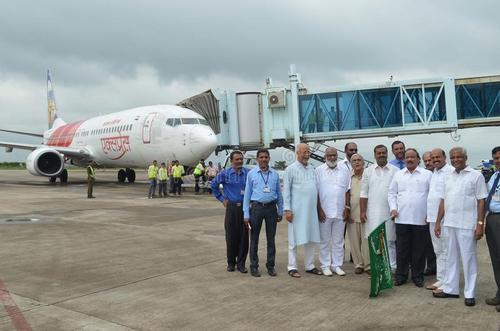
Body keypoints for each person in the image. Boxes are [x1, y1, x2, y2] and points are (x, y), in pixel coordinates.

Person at [433, 147, 488, 307]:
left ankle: (469, 293)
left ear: (465, 157)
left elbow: (481, 201)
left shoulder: (476, 176)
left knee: (469, 259)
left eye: (459, 157)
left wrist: (480, 224)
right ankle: (451, 289)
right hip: (449, 223)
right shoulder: (448, 176)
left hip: (467, 225)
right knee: (451, 257)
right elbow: (443, 200)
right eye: (453, 157)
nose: (456, 159)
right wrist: (438, 222)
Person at [388, 148, 432, 287]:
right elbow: (391, 193)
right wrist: (393, 208)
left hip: (421, 219)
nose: (410, 159)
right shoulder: (398, 175)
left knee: (419, 250)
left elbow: (432, 196)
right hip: (402, 218)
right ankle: (401, 276)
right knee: (402, 249)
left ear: (418, 159)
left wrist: (430, 213)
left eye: (413, 157)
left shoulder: (427, 174)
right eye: (407, 157)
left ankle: (417, 276)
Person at [283, 143, 322, 278]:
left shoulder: (312, 169)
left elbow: (315, 190)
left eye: (308, 152)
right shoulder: (290, 169)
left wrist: (318, 209)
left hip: (311, 211)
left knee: (311, 238)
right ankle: (292, 267)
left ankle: (309, 265)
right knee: (293, 240)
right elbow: (286, 190)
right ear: (297, 153)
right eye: (304, 152)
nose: (306, 155)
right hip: (296, 211)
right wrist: (287, 210)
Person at [243, 149, 283, 277]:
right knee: (254, 239)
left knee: (271, 239)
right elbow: (247, 195)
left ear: (269, 158)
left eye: (266, 157)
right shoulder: (252, 174)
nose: (263, 159)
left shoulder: (275, 174)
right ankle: (254, 266)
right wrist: (246, 214)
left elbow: (279, 194)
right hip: (256, 209)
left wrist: (280, 210)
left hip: (271, 209)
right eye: (261, 157)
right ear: (257, 159)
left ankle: (270, 266)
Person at [360, 145, 399, 272]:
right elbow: (364, 193)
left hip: (390, 211)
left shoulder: (395, 170)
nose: (381, 155)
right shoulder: (368, 171)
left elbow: (398, 192)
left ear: (387, 154)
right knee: (375, 239)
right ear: (374, 154)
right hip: (373, 212)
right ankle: (377, 268)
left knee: (390, 240)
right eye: (379, 153)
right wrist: (362, 211)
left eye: (384, 153)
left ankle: (392, 268)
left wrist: (396, 209)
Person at [212, 151, 249, 273]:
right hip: (231, 209)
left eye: (241, 159)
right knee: (231, 237)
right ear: (231, 161)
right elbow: (213, 185)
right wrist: (222, 199)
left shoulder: (248, 173)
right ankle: (231, 263)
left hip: (245, 209)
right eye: (237, 159)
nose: (239, 161)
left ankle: (241, 264)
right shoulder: (225, 174)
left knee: (244, 237)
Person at [316, 147, 351, 276]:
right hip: (324, 212)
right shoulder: (318, 171)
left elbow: (348, 191)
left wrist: (347, 208)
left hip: (340, 212)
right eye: (329, 155)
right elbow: (316, 193)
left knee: (338, 241)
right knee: (324, 240)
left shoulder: (344, 170)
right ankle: (325, 265)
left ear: (337, 156)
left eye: (334, 155)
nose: (332, 158)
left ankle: (337, 265)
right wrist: (319, 209)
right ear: (325, 156)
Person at [425, 148, 454, 290]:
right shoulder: (435, 172)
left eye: (438, 157)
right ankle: (441, 279)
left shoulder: (450, 172)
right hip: (432, 217)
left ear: (444, 157)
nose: (435, 160)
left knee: (447, 250)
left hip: (443, 219)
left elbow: (445, 199)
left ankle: (449, 281)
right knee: (438, 250)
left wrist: (438, 221)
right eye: (433, 158)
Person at [347, 153, 370, 274]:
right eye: (354, 160)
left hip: (365, 214)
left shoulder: (368, 176)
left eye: (359, 160)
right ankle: (358, 264)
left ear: (363, 162)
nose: (356, 162)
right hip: (352, 215)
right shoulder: (348, 177)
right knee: (354, 242)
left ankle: (368, 265)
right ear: (351, 164)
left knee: (366, 241)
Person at [484, 146, 500, 311]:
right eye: (496, 158)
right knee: (496, 259)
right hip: (493, 218)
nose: (498, 160)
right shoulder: (494, 176)